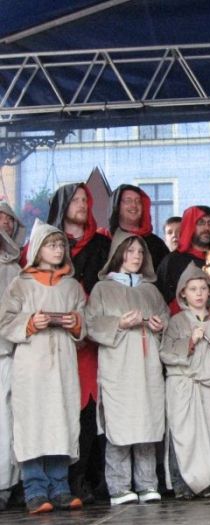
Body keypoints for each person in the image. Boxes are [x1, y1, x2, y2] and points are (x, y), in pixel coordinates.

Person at [0, 220, 86, 514]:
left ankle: (60, 487)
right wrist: (29, 322)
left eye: (61, 245)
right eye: (51, 245)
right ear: (37, 249)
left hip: (62, 364)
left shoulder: (71, 286)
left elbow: (84, 320)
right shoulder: (21, 284)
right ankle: (35, 490)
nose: (58, 249)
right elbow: (4, 321)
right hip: (31, 364)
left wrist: (75, 323)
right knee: (33, 423)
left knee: (60, 421)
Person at [85, 231, 169, 506]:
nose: (136, 256)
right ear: (118, 253)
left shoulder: (150, 290)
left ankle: (147, 483)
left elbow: (166, 318)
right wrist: (119, 323)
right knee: (119, 423)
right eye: (131, 251)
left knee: (147, 420)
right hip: (118, 365)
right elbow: (90, 324)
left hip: (148, 365)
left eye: (141, 252)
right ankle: (119, 486)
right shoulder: (103, 289)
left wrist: (160, 325)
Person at [46, 182, 111, 503]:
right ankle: (51, 483)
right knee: (57, 409)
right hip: (51, 342)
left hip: (90, 343)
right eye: (76, 200)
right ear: (62, 206)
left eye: (86, 199)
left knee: (89, 411)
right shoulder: (46, 244)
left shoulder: (103, 244)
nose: (83, 204)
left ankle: (83, 478)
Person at [160, 263, 210, 499]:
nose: (199, 294)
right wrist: (190, 341)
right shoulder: (176, 322)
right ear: (183, 293)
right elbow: (166, 352)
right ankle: (182, 484)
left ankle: (208, 483)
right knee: (184, 437)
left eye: (203, 288)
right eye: (193, 289)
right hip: (184, 387)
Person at [0, 203, 24, 511]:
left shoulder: (15, 272)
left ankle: (6, 484)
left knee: (6, 421)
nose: (4, 224)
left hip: (7, 352)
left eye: (9, 220)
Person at [157, 206, 210, 313]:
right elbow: (163, 301)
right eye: (201, 223)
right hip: (184, 320)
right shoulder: (172, 261)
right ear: (190, 226)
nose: (207, 228)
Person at [106, 185, 170, 271]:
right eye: (128, 201)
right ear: (116, 206)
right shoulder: (105, 242)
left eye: (138, 201)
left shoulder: (157, 245)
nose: (134, 205)